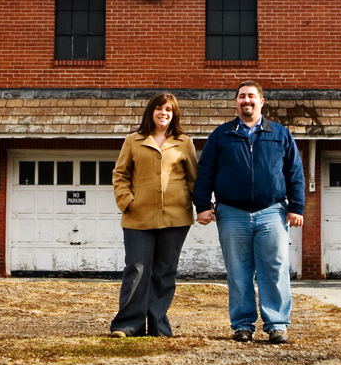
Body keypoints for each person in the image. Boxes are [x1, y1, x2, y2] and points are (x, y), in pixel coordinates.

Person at [194, 81, 305, 344]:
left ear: (261, 101)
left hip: (272, 212)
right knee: (238, 271)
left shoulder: (280, 134)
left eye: (252, 96)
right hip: (232, 213)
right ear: (236, 102)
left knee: (275, 269)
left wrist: (297, 207)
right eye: (242, 96)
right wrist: (202, 206)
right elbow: (205, 172)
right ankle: (242, 324)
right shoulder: (221, 135)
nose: (247, 100)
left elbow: (295, 173)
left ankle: (277, 324)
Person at [109, 92, 198, 337]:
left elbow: (194, 179)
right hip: (138, 217)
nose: (163, 113)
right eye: (159, 109)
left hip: (176, 217)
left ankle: (158, 325)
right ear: (151, 112)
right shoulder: (133, 141)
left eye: (168, 110)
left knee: (165, 271)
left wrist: (201, 207)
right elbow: (120, 175)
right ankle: (128, 325)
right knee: (136, 269)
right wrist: (128, 202)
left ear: (174, 114)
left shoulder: (185, 143)